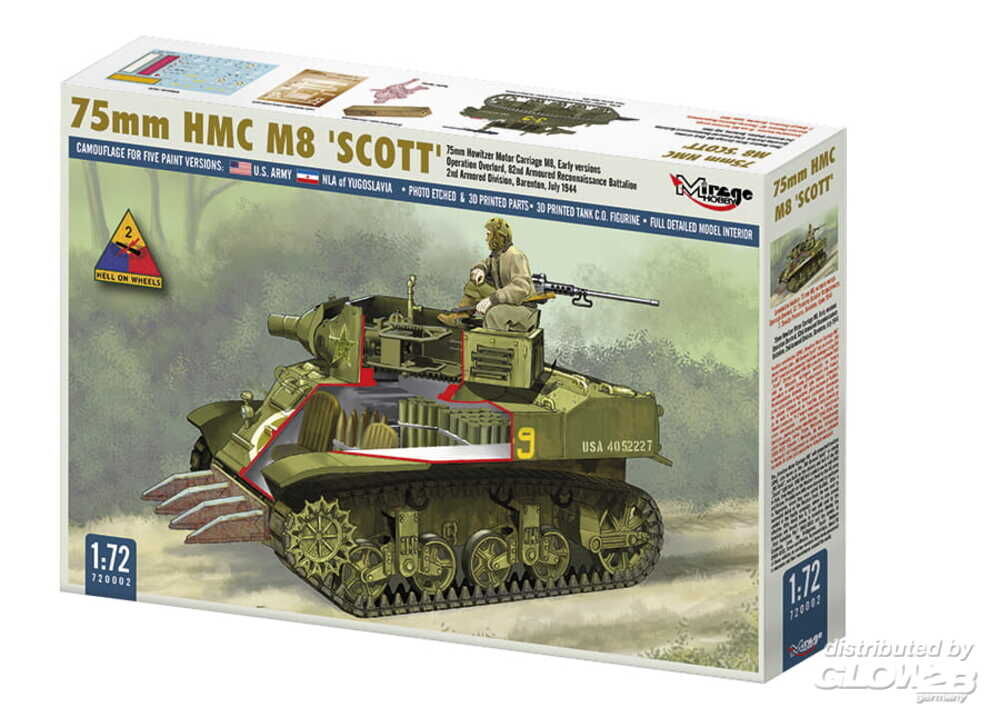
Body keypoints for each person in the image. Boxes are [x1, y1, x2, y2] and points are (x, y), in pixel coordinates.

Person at [438, 217, 539, 331]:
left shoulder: (516, 256)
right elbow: (485, 263)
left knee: (494, 313)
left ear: (498, 236)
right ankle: (460, 316)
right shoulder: (497, 255)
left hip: (524, 308)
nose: (486, 238)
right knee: (474, 285)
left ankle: (491, 339)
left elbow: (520, 288)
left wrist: (492, 300)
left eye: (489, 234)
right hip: (506, 300)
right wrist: (480, 269)